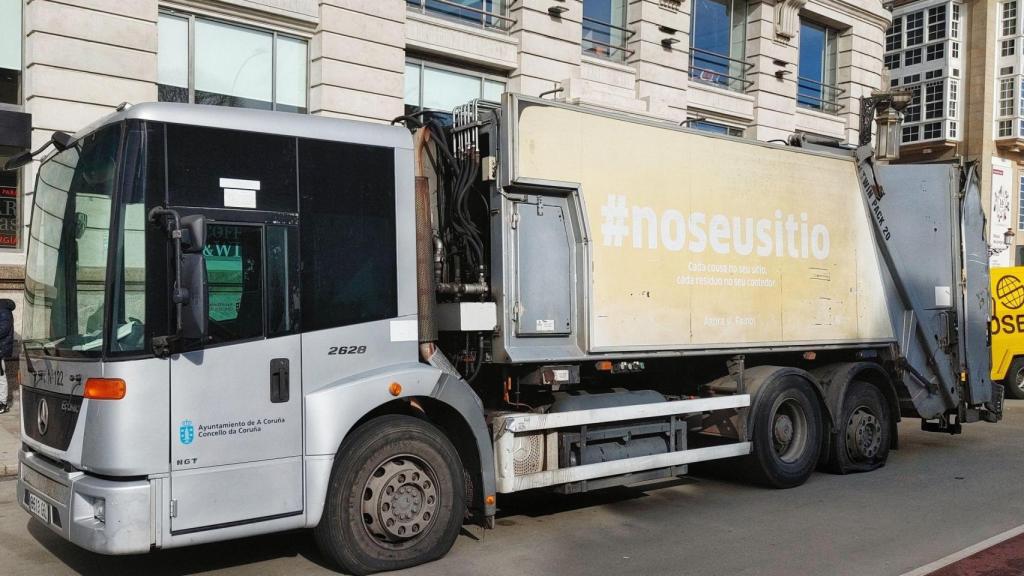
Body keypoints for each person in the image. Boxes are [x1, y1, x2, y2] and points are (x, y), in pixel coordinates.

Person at [0, 299, 14, 414]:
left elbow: (3, 330)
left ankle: (3, 404)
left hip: (1, 349)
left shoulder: (3, 309)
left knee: (1, 377)